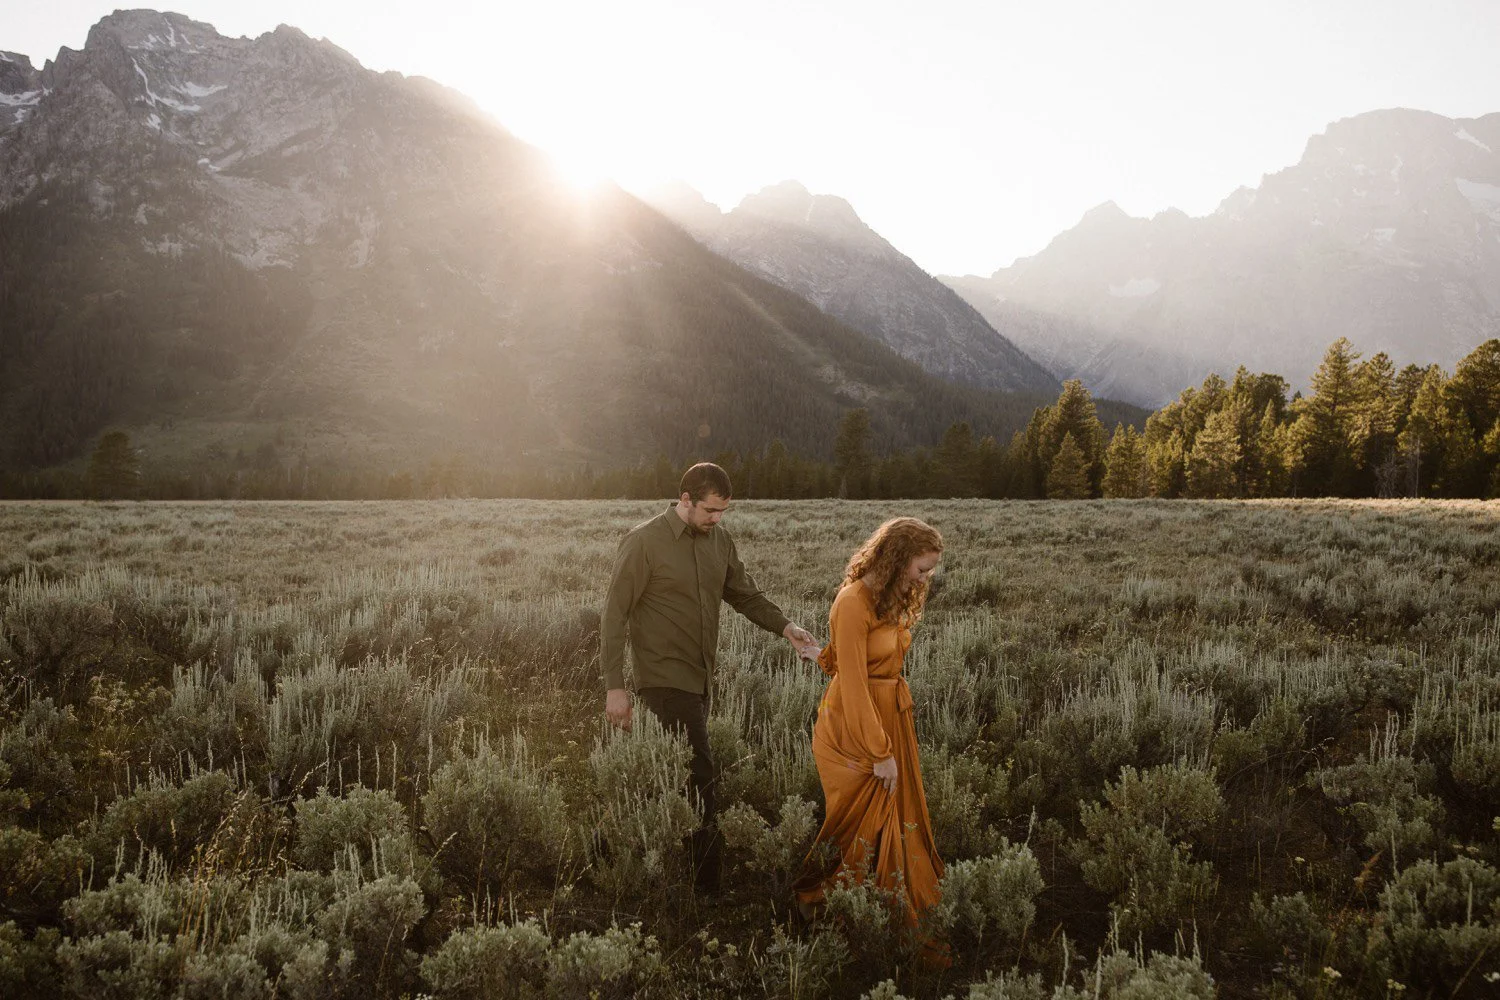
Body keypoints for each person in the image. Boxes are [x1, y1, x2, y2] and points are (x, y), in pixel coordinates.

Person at [601, 462, 817, 890]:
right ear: (685, 500)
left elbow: (745, 594)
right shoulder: (644, 541)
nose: (716, 519)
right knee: (701, 778)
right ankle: (708, 890)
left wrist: (786, 627)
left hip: (700, 678)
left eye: (723, 512)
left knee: (661, 774)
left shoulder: (718, 540)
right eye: (710, 511)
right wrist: (614, 686)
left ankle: (603, 852)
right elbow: (613, 616)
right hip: (662, 678)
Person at [793, 516, 947, 962]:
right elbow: (855, 685)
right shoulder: (854, 600)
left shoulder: (889, 596)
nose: (925, 579)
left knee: (894, 819)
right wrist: (881, 753)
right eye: (922, 569)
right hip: (853, 729)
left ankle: (879, 904)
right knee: (858, 826)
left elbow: (848, 658)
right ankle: (822, 905)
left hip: (889, 717)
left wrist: (820, 654)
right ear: (897, 559)